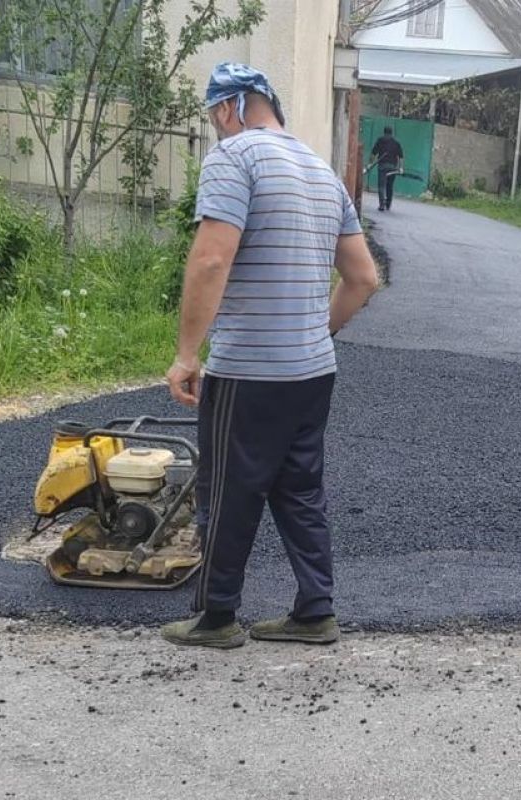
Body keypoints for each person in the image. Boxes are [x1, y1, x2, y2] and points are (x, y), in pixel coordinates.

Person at [161, 63, 380, 649]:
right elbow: (362, 278)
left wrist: (186, 354)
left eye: (214, 119)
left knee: (228, 490)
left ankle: (215, 618)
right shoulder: (321, 170)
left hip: (249, 370)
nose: (217, 130)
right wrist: (315, 331)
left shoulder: (235, 158)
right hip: (312, 373)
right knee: (300, 490)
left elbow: (211, 260)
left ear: (229, 107)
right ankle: (315, 611)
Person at [370, 126, 404, 211]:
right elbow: (401, 157)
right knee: (390, 185)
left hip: (382, 166)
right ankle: (388, 204)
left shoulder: (380, 140)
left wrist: (370, 163)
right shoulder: (396, 143)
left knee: (381, 186)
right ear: (391, 133)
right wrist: (401, 167)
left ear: (384, 132)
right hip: (393, 167)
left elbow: (373, 153)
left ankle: (382, 205)